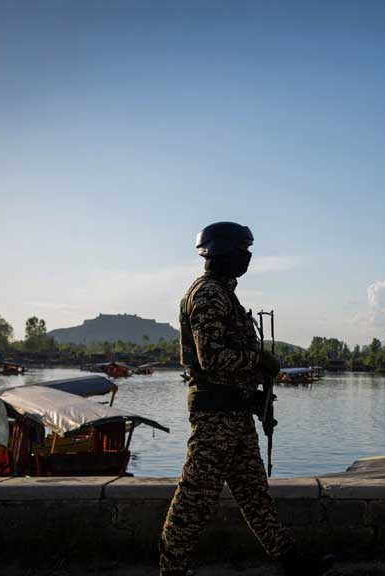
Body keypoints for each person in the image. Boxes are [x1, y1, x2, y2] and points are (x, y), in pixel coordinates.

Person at [159, 222, 332, 576]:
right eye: (243, 249)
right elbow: (213, 360)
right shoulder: (208, 294)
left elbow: (226, 364)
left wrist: (255, 400)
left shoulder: (224, 292)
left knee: (255, 495)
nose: (249, 256)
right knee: (195, 498)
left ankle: (291, 562)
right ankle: (170, 570)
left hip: (233, 415)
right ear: (223, 252)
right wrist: (259, 361)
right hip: (215, 419)